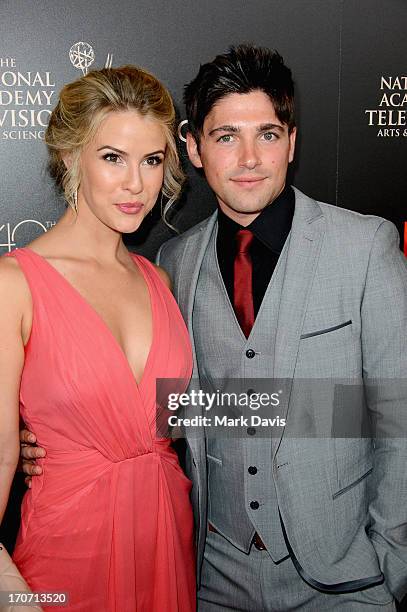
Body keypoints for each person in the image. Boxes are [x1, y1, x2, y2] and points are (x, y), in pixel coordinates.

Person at [21, 45, 407, 610]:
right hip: (209, 576)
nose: (249, 158)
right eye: (226, 137)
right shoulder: (172, 264)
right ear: (195, 149)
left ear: (292, 143)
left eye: (268, 135)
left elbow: (396, 409)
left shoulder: (365, 247)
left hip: (346, 581)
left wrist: (390, 564)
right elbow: (179, 409)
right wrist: (59, 434)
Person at [1, 65, 195, 611]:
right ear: (70, 157)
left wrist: (334, 411)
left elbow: (172, 423)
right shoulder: (14, 285)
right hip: (66, 557)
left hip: (165, 544)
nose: (136, 183)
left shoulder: (158, 278)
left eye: (152, 160)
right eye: (113, 157)